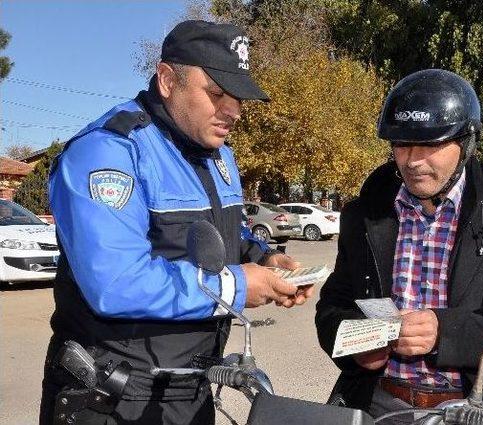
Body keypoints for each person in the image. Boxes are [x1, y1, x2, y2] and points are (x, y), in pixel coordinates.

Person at [40, 20, 312, 425]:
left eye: (237, 97)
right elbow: (115, 283)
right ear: (167, 80)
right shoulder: (109, 152)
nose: (234, 110)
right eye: (217, 93)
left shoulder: (218, 155)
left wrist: (264, 258)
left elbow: (225, 232)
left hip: (189, 387)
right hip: (114, 397)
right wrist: (238, 285)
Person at [315, 69, 483, 422]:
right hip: (381, 404)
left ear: (466, 142)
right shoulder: (364, 214)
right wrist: (355, 345)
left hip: (479, 408)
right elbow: (333, 306)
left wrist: (444, 333)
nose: (413, 161)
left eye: (431, 144)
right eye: (402, 145)